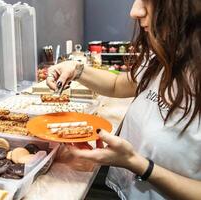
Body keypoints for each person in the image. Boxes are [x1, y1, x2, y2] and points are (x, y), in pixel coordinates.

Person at [46, 0, 201, 199]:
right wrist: (76, 69)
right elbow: (117, 84)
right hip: (122, 189)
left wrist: (138, 164)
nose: (134, 11)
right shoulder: (167, 54)